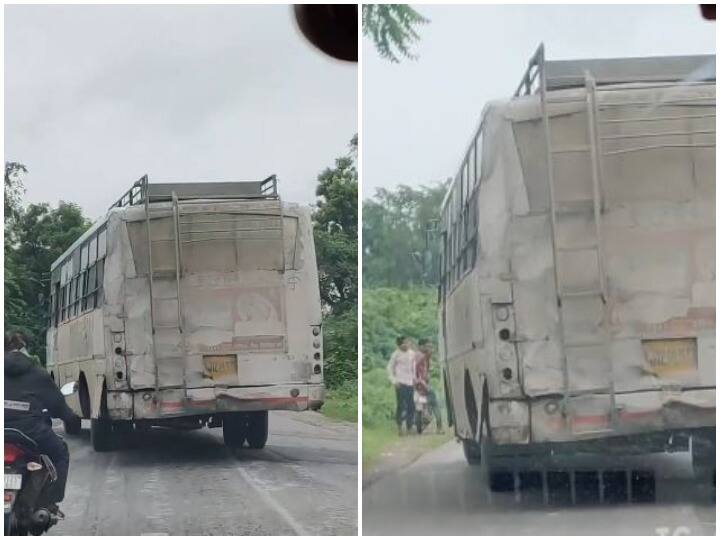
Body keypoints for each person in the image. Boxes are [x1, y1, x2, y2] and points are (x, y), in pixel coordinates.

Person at [4, 332, 80, 509]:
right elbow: (58, 405)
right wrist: (73, 421)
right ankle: (50, 502)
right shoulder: (38, 373)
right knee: (60, 452)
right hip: (31, 432)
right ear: (24, 349)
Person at [386, 336, 416, 435]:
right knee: (401, 405)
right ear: (399, 345)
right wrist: (394, 381)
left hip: (410, 383)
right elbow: (389, 368)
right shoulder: (396, 355)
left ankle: (409, 427)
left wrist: (415, 379)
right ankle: (399, 427)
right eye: (404, 343)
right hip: (400, 383)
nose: (406, 345)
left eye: (407, 342)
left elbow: (414, 367)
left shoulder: (412, 354)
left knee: (411, 405)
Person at [414, 338, 443, 433]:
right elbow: (417, 368)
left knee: (420, 403)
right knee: (435, 404)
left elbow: (427, 369)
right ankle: (439, 427)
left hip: (417, 384)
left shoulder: (420, 356)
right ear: (421, 346)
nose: (429, 348)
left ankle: (423, 420)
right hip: (422, 384)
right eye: (427, 346)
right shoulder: (421, 356)